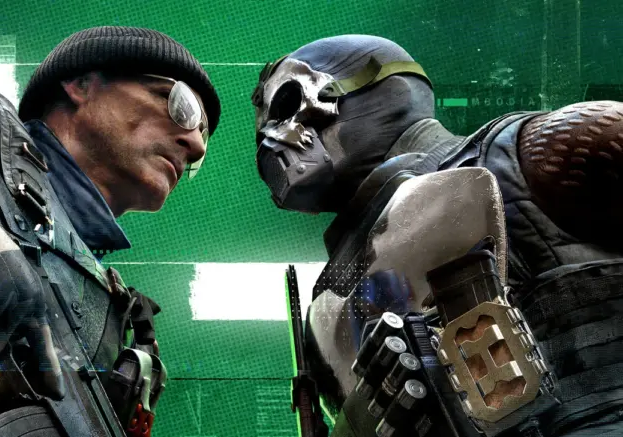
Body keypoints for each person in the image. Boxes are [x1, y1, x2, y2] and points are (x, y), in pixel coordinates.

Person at [0, 22, 220, 436]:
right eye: (181, 106)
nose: (196, 145)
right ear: (82, 84)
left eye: (204, 137)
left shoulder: (108, 301)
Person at [251, 35, 623, 436]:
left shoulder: (540, 148)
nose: (273, 138)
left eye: (288, 105)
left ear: (388, 88)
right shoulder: (325, 318)